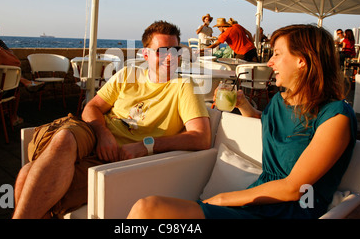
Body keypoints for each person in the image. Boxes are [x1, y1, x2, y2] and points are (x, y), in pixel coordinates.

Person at [128, 24, 357, 219]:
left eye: (277, 54)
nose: (270, 62)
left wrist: (220, 199)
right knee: (147, 208)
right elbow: (270, 125)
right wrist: (243, 106)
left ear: (302, 61)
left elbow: (293, 189)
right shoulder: (281, 101)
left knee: (149, 209)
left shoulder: (336, 116)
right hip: (258, 200)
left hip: (288, 211)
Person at [12, 20, 211, 218]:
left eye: (175, 50)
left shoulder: (184, 86)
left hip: (118, 158)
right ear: (145, 54)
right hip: (93, 133)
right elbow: (93, 107)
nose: (170, 57)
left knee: (28, 174)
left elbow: (201, 137)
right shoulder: (128, 74)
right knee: (63, 137)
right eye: (162, 51)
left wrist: (146, 145)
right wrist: (102, 133)